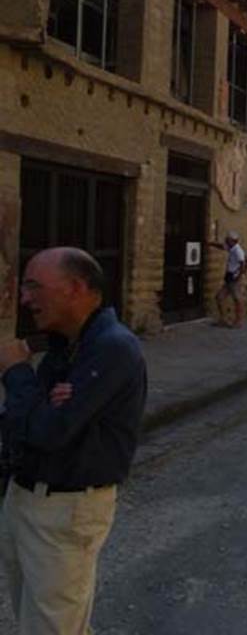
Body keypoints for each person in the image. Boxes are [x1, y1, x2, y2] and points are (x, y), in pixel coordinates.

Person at [0, 247, 147, 634]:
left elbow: (48, 431)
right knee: (44, 620)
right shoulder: (65, 346)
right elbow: (21, 424)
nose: (25, 298)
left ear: (76, 288)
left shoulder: (113, 347)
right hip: (25, 500)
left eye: (34, 286)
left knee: (51, 627)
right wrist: (39, 403)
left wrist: (17, 373)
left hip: (64, 510)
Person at [211, 230, 247, 328]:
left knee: (237, 299)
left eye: (227, 239)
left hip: (234, 278)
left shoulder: (238, 250)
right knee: (219, 297)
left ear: (233, 240)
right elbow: (222, 246)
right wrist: (210, 243)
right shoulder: (231, 248)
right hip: (229, 278)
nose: (226, 240)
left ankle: (238, 322)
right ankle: (223, 319)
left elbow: (243, 264)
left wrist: (239, 277)